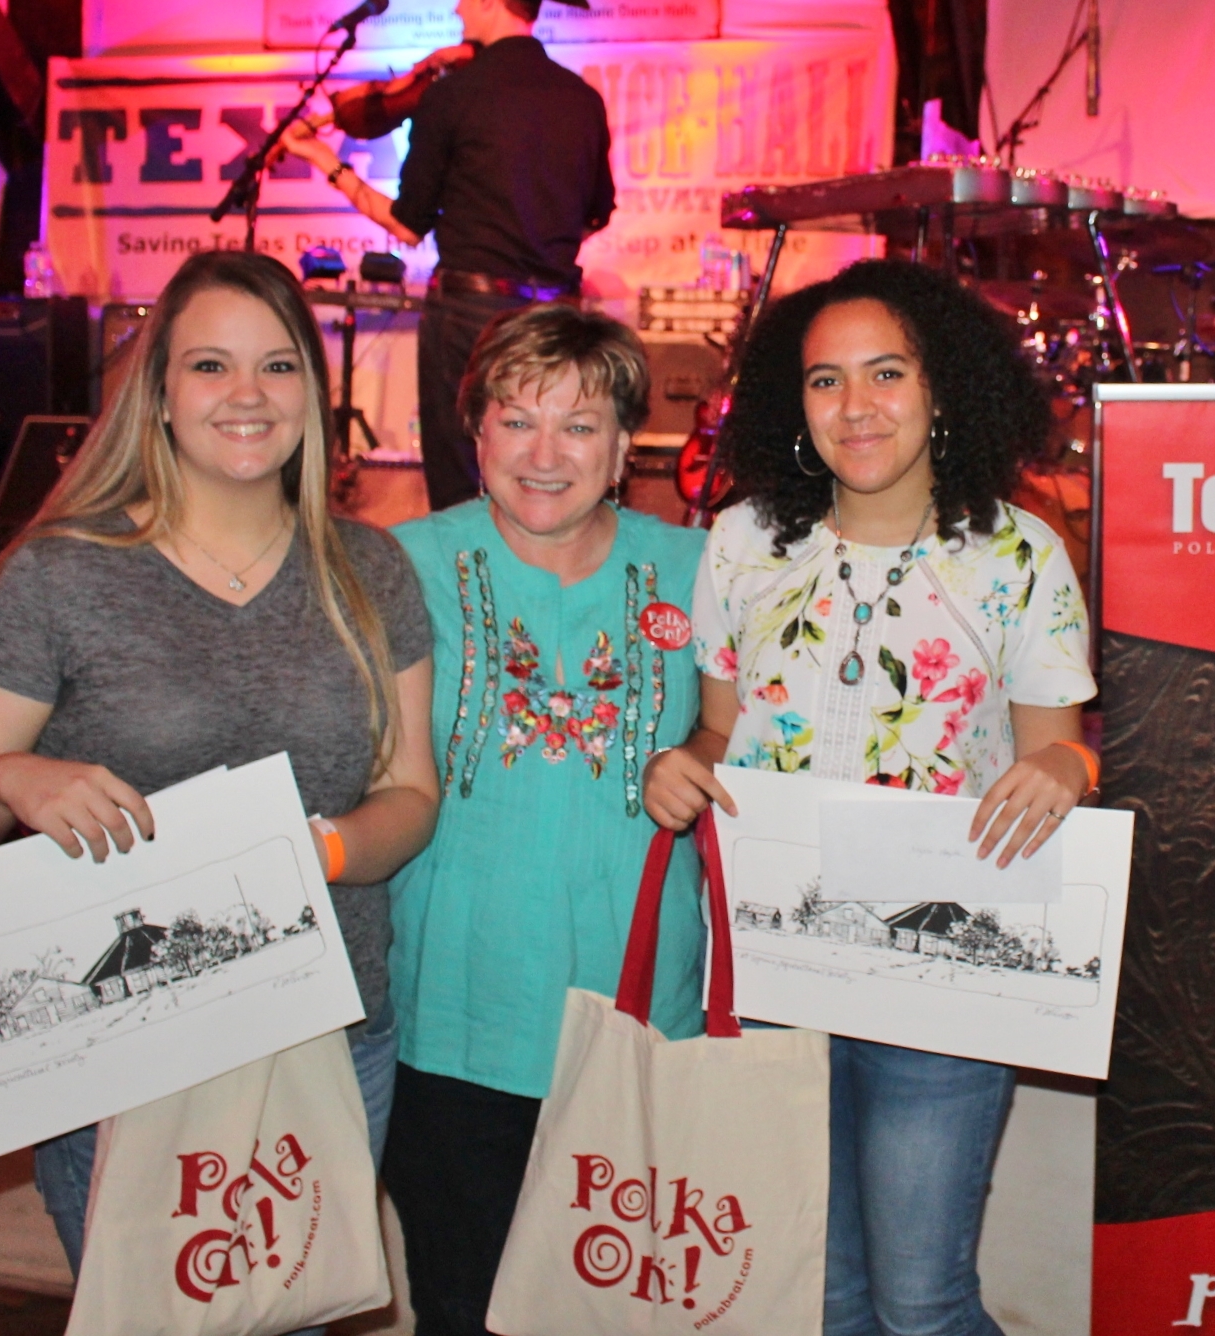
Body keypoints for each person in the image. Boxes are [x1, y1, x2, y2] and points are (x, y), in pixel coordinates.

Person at [0, 249, 440, 1304]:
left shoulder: (371, 568)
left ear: (315, 395)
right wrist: (13, 777)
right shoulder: (66, 573)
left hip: (326, 1026)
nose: (247, 395)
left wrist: (315, 852)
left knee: (290, 1315)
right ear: (157, 394)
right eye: (209, 366)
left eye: (279, 367)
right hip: (120, 1053)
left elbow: (410, 794)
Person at [647, 259, 1099, 1336]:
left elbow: (1069, 757)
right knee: (821, 1295)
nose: (857, 407)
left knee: (922, 1303)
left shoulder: (1017, 556)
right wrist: (684, 763)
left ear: (941, 388)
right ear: (792, 405)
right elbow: (723, 726)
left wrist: (1064, 770)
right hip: (773, 965)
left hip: (939, 979)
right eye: (826, 381)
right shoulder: (747, 543)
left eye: (886, 373)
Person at [384, 302, 706, 1336]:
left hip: (640, 1013)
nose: (545, 453)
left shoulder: (701, 573)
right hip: (453, 1011)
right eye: (517, 419)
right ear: (473, 433)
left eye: (579, 425)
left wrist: (697, 756)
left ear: (623, 450)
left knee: (627, 1314)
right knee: (463, 1308)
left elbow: (758, 740)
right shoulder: (399, 565)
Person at [281, 0, 613, 515]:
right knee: (544, 472)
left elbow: (406, 224)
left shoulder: (453, 95)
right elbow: (597, 213)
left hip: (469, 314)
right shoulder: (582, 99)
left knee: (462, 481)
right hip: (556, 314)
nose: (457, 7)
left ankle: (466, 589)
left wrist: (324, 161)